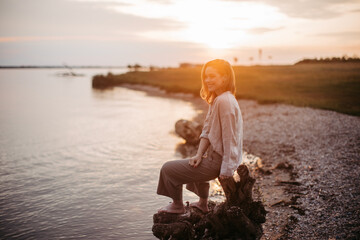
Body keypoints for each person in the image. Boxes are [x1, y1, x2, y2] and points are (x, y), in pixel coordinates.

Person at [156, 59, 243, 214]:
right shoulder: (218, 99)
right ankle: (203, 203)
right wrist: (198, 154)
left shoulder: (225, 102)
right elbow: (207, 130)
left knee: (167, 169)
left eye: (212, 76)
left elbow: (231, 140)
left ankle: (177, 206)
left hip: (218, 162)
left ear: (224, 78)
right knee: (194, 162)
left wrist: (227, 171)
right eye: (205, 77)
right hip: (213, 158)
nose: (207, 80)